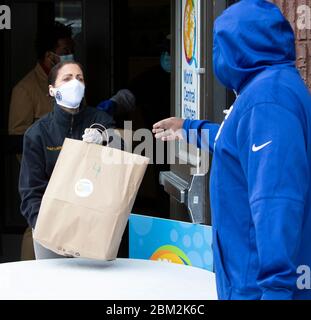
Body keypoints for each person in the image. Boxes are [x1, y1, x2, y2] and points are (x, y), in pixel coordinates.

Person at [153, 0, 311, 300]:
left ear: (239, 46)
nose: (216, 55)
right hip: (248, 281)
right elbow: (236, 144)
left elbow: (277, 200)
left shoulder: (268, 100)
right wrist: (188, 128)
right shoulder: (266, 88)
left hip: (258, 288)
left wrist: (275, 290)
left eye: (219, 45)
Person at [19, 61, 121, 260]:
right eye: (67, 79)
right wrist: (44, 227)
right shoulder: (38, 134)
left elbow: (122, 158)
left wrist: (107, 139)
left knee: (93, 288)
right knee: (55, 289)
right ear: (52, 90)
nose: (75, 83)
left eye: (79, 78)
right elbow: (30, 190)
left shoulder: (100, 119)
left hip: (95, 227)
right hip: (52, 230)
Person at [9, 22, 75, 135]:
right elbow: (18, 138)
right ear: (49, 56)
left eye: (72, 51)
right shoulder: (25, 90)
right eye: (66, 52)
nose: (71, 56)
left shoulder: (74, 83)